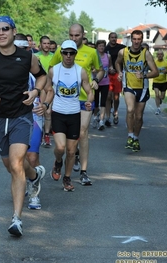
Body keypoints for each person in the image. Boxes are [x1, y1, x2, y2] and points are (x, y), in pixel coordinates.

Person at [0, 16, 47, 237]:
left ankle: (16, 219)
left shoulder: (27, 57)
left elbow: (41, 77)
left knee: (16, 163)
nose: (1, 33)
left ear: (14, 32)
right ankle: (34, 177)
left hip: (21, 116)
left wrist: (35, 92)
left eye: (5, 29)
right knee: (11, 166)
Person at [49, 23, 104, 186]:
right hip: (65, 100)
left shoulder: (92, 52)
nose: (74, 38)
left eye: (77, 35)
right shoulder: (64, 51)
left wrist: (95, 80)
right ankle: (69, 156)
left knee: (83, 131)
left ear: (83, 35)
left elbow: (101, 70)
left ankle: (84, 171)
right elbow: (52, 70)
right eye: (71, 35)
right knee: (67, 143)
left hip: (84, 99)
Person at [14, 34, 54, 209]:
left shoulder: (34, 65)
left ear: (29, 49)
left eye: (24, 49)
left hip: (33, 118)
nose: (19, 53)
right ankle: (27, 179)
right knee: (14, 161)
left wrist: (44, 105)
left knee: (31, 155)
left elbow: (49, 89)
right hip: (12, 117)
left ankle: (34, 190)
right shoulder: (4, 66)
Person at [49, 40, 93, 191]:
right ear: (61, 53)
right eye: (65, 53)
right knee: (60, 147)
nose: (68, 56)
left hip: (74, 114)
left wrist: (89, 101)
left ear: (75, 54)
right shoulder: (54, 70)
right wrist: (45, 105)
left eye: (71, 53)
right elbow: (47, 90)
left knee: (72, 151)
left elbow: (89, 91)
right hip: (58, 113)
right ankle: (57, 161)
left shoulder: (80, 71)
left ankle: (67, 178)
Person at [115, 30, 159, 152]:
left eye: (138, 39)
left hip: (143, 88)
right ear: (131, 39)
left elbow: (156, 72)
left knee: (138, 117)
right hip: (129, 86)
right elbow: (117, 63)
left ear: (142, 40)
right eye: (134, 39)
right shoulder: (123, 52)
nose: (136, 41)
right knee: (130, 109)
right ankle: (129, 136)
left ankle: (135, 138)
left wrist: (144, 75)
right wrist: (119, 72)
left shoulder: (146, 54)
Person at [35, 35, 54, 146]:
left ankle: (46, 135)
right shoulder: (35, 56)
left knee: (48, 112)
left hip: (50, 87)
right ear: (40, 44)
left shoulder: (54, 56)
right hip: (39, 88)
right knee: (40, 111)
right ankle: (39, 134)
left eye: (48, 43)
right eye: (44, 43)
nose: (47, 45)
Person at [105, 32, 126, 125]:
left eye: (115, 37)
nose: (114, 39)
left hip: (118, 74)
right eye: (112, 37)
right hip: (108, 74)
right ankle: (108, 117)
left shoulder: (121, 48)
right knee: (108, 96)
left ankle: (115, 112)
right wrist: (109, 69)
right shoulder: (105, 49)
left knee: (116, 97)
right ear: (109, 38)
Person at [94, 40, 112, 130]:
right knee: (96, 103)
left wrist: (111, 69)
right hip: (96, 82)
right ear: (97, 47)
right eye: (100, 46)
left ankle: (101, 121)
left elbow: (110, 67)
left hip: (105, 82)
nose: (101, 47)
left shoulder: (108, 56)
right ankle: (95, 117)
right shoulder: (94, 56)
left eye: (103, 46)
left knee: (103, 102)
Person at [153, 50, 167, 115]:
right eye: (158, 54)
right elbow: (151, 70)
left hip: (163, 82)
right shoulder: (154, 63)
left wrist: (166, 71)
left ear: (163, 55)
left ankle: (160, 100)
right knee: (157, 94)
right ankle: (158, 108)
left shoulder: (166, 63)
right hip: (156, 81)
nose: (159, 55)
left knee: (162, 97)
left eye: (161, 54)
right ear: (157, 55)